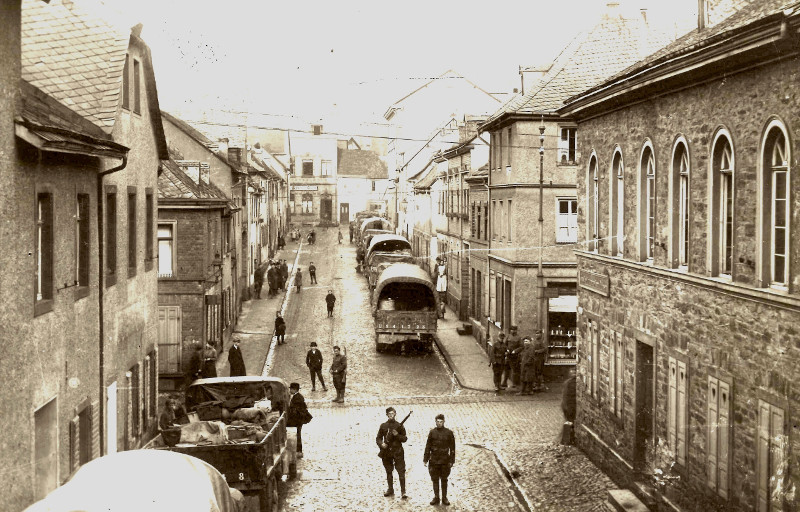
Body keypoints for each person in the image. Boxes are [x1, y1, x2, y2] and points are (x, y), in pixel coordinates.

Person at [423, 413, 455, 506]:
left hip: (445, 460)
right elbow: (428, 446)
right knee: (435, 479)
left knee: (444, 479)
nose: (439, 423)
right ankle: (436, 497)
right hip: (434, 460)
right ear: (435, 422)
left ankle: (444, 497)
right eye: (438, 422)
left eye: (441, 422)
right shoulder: (432, 432)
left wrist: (451, 460)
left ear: (444, 422)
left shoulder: (449, 433)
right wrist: (425, 459)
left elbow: (452, 448)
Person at [376, 407, 408, 499]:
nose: (391, 415)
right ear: (387, 415)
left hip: (398, 452)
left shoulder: (400, 426)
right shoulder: (383, 426)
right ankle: (390, 489)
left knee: (401, 472)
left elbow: (404, 439)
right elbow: (378, 438)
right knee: (389, 471)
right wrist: (381, 444)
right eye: (389, 414)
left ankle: (403, 491)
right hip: (386, 452)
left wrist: (397, 435)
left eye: (392, 414)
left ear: (395, 414)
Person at [286, 382, 310, 458]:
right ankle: (298, 450)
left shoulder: (298, 398)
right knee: (297, 434)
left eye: (291, 389)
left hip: (297, 420)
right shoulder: (297, 396)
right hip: (298, 420)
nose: (290, 390)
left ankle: (299, 451)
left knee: (297, 435)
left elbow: (296, 410)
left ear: (294, 389)